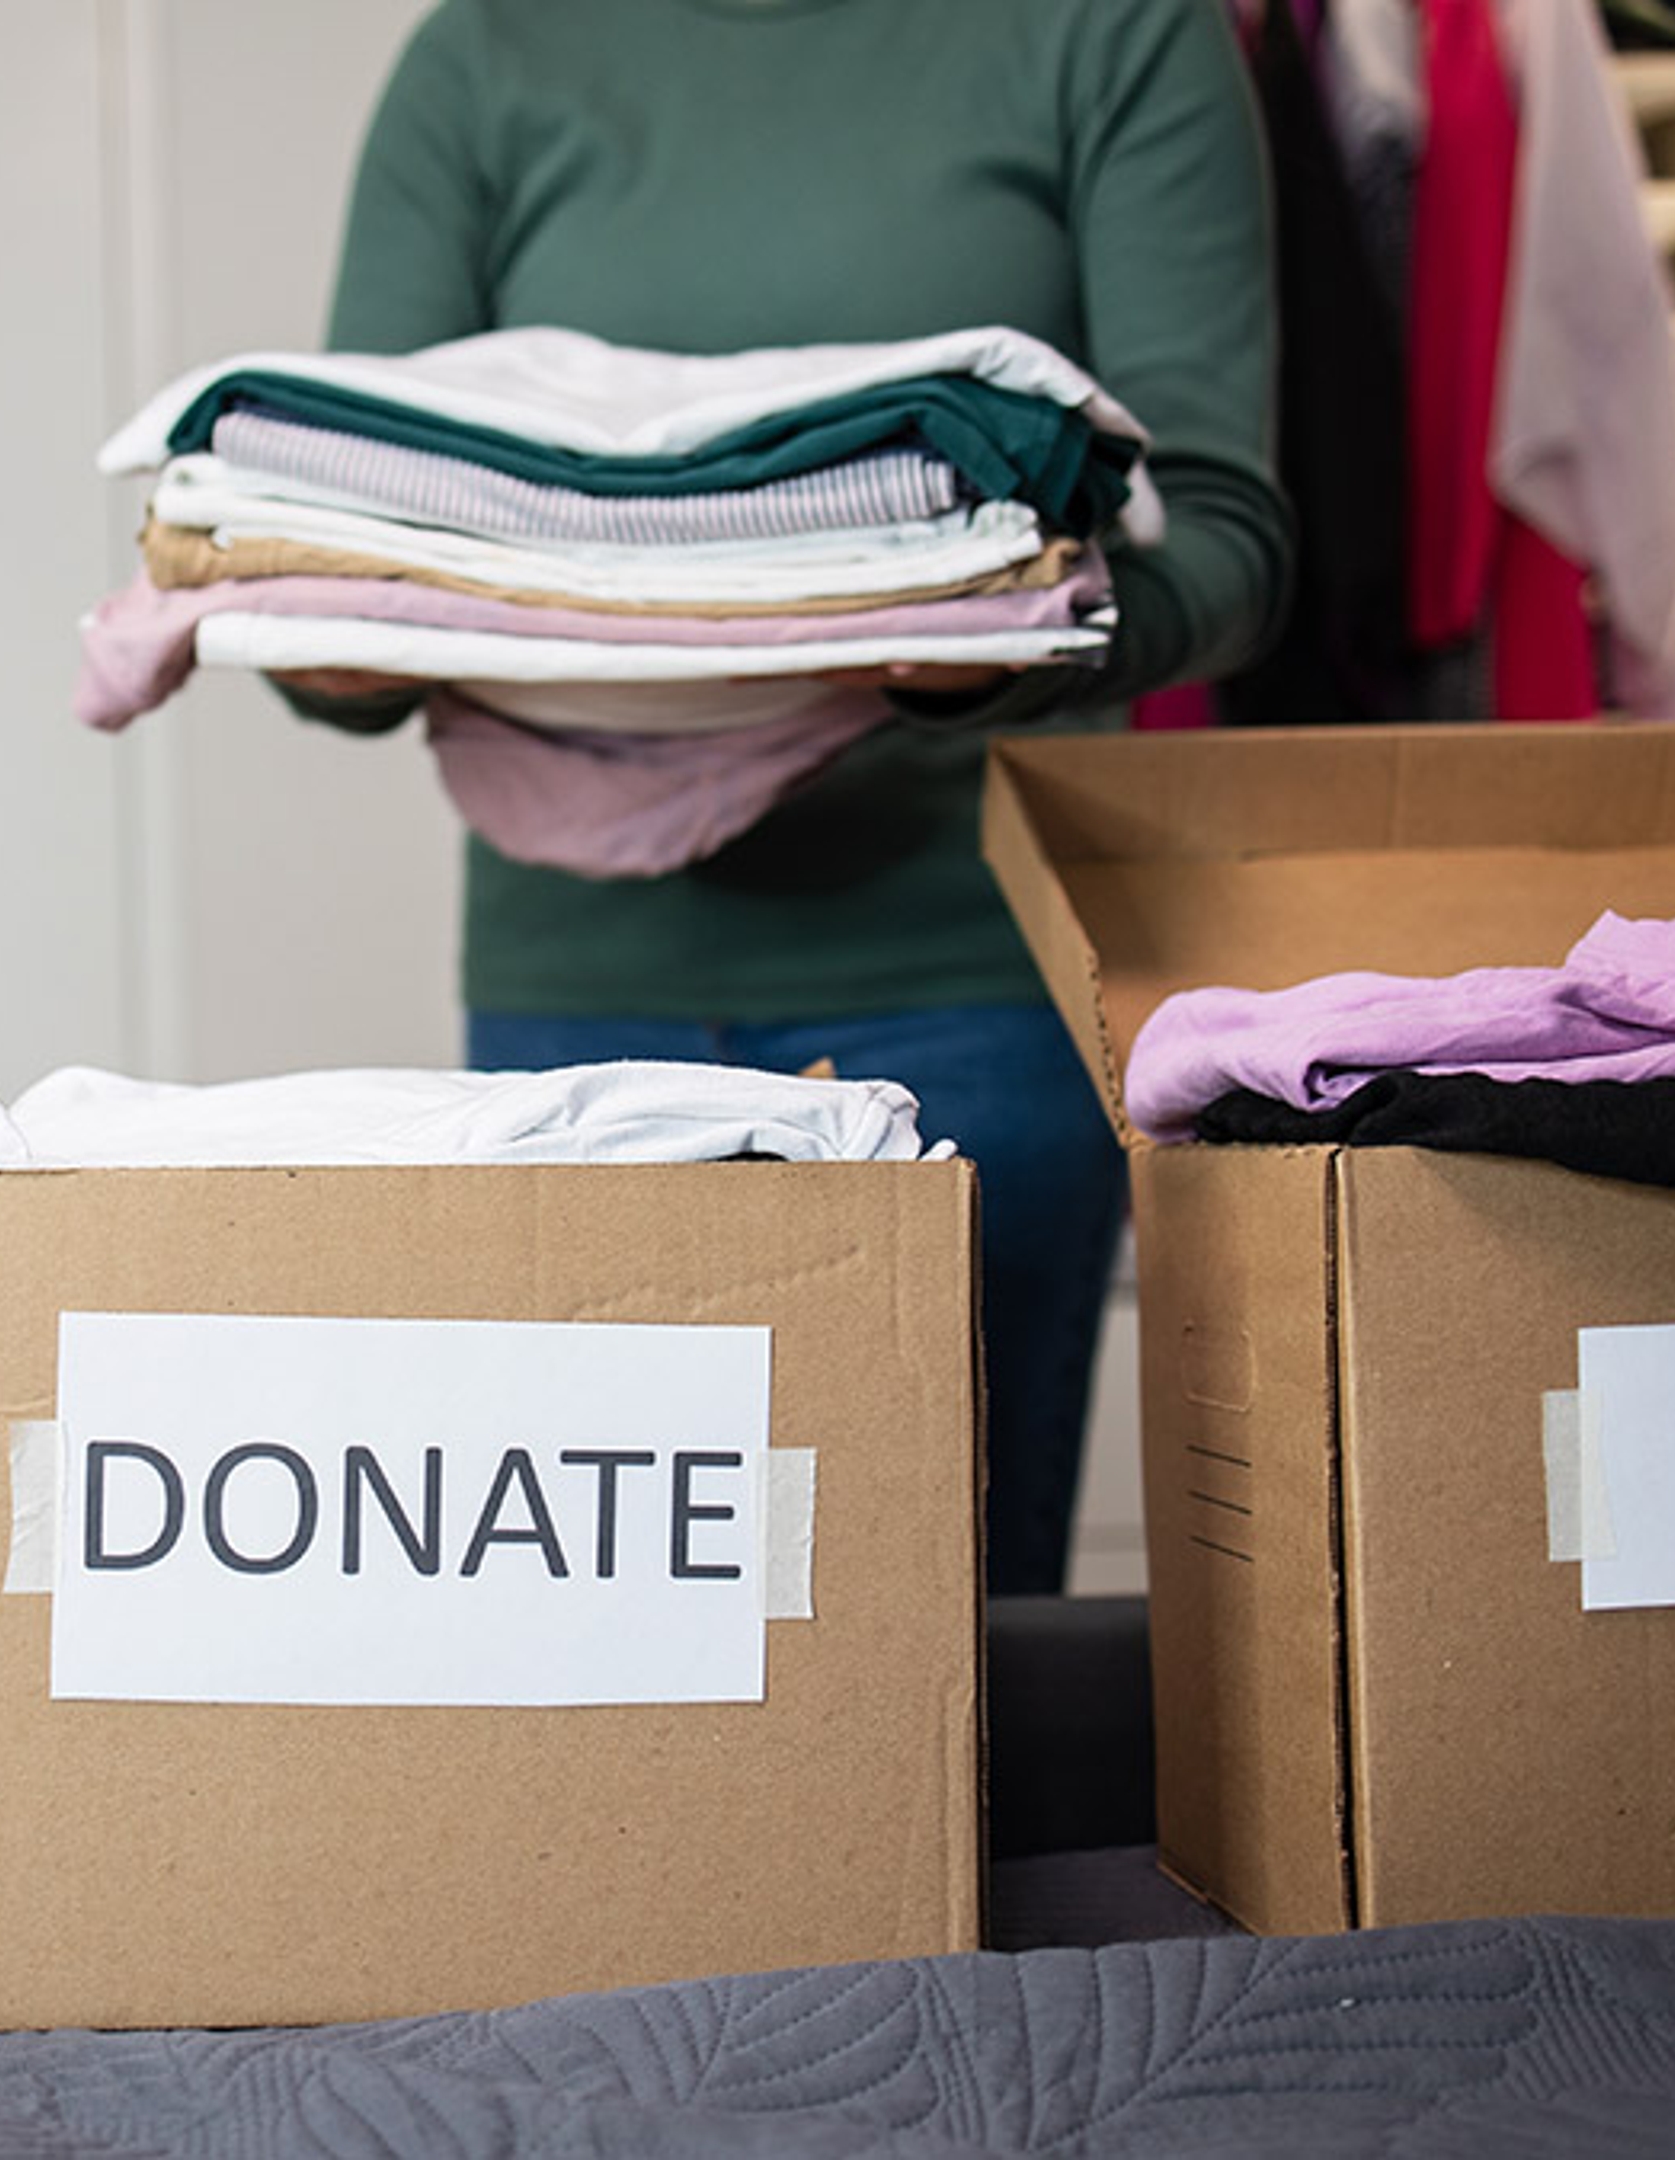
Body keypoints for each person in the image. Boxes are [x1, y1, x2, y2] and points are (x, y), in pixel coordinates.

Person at [274, 0, 1291, 1596]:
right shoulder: (491, 54)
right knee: (586, 1630)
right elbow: (345, 516)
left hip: (971, 978)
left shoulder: (1109, 32)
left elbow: (1226, 539)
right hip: (578, 1005)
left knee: (943, 1629)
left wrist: (997, 638)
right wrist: (322, 628)